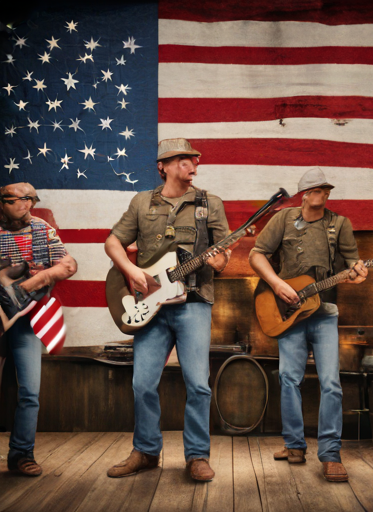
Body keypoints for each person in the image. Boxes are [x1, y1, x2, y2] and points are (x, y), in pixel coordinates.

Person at [105, 138, 230, 481]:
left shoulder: (209, 204)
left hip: (193, 304)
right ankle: (146, 452)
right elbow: (113, 241)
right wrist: (131, 271)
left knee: (198, 384)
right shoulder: (142, 202)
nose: (192, 165)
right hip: (152, 308)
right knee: (143, 383)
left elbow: (224, 254)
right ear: (163, 166)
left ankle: (197, 456)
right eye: (183, 160)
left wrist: (221, 260)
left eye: (194, 160)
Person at [249, 167, 367, 482]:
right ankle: (294, 446)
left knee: (331, 383)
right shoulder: (283, 220)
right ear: (304, 193)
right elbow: (257, 255)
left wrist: (358, 272)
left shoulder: (339, 224)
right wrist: (276, 285)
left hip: (325, 311)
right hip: (290, 314)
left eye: (325, 189)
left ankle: (330, 455)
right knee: (289, 379)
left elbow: (353, 263)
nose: (322, 194)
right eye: (316, 189)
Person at [0, 182, 77, 476]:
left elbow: (67, 264)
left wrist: (34, 281)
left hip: (27, 319)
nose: (27, 206)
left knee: (30, 390)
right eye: (20, 201)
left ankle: (21, 454)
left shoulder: (42, 229)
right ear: (2, 201)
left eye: (31, 200)